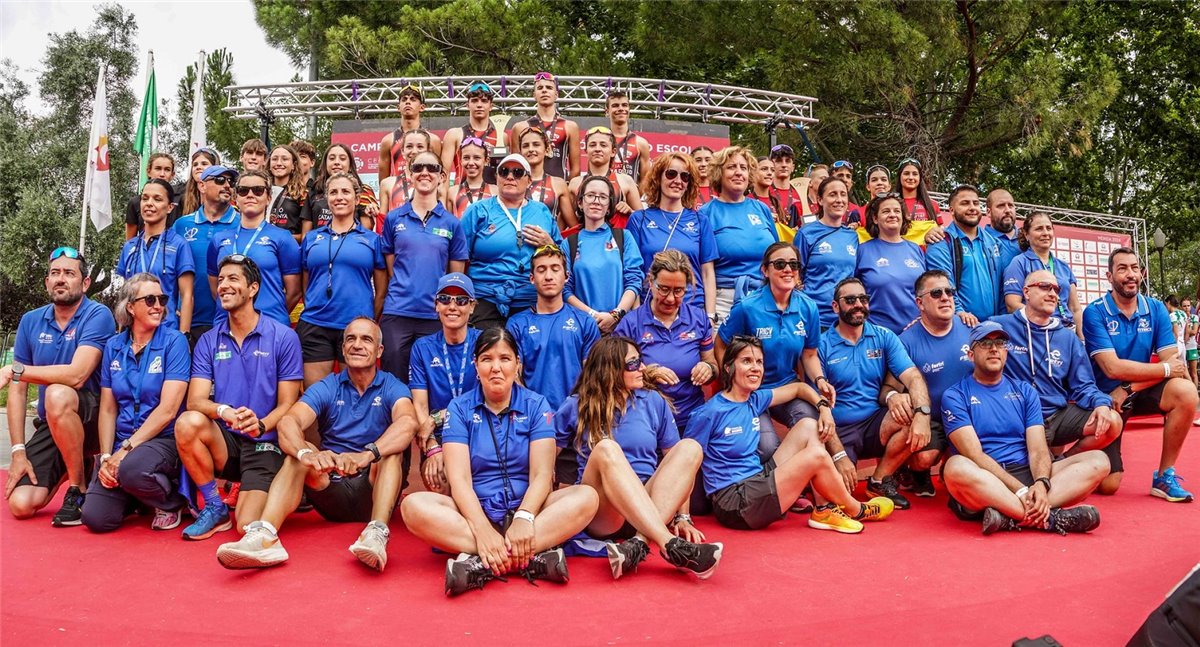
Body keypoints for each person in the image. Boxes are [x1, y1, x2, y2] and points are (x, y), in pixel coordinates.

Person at [400, 328, 600, 596]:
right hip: (474, 514)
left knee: (587, 497)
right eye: (487, 359)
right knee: (413, 506)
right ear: (476, 366)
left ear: (517, 364)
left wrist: (524, 517)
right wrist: (482, 529)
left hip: (531, 514)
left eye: (505, 359)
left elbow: (542, 475)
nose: (496, 367)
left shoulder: (536, 405)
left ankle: (483, 561)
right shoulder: (459, 408)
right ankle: (527, 558)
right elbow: (459, 480)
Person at [215, 318, 418, 572]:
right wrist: (307, 454)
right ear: (342, 349)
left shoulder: (392, 386)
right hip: (330, 487)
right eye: (351, 339)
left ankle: (376, 534)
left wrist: (367, 454)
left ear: (379, 351)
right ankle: (265, 537)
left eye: (366, 340)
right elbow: (289, 421)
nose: (357, 345)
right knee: (300, 454)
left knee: (391, 453)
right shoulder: (328, 386)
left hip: (372, 487)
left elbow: (408, 423)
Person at [685, 335, 894, 532]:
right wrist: (682, 517)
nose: (755, 367)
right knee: (816, 455)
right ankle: (857, 509)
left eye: (759, 362)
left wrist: (823, 408)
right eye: (747, 361)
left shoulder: (753, 399)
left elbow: (799, 388)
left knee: (809, 425)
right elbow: (684, 464)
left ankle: (824, 509)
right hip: (735, 502)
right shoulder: (709, 413)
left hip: (756, 479)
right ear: (728, 367)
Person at [555, 336, 722, 580]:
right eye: (633, 364)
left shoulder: (653, 401)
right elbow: (546, 459)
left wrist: (683, 516)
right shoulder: (577, 405)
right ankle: (668, 544)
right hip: (605, 511)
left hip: (650, 505)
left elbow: (675, 463)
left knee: (690, 447)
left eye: (640, 360)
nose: (642, 368)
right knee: (606, 448)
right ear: (610, 369)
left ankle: (639, 543)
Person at [175, 255, 303, 540]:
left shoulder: (283, 337)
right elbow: (195, 401)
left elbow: (289, 404)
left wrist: (261, 424)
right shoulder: (209, 339)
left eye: (233, 279)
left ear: (253, 288)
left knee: (246, 525)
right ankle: (214, 506)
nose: (223, 286)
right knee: (187, 422)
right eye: (221, 280)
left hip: (264, 444)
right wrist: (225, 411)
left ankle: (284, 483)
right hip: (227, 442)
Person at [940, 321, 1108, 535]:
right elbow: (975, 455)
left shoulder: (1025, 391)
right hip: (987, 478)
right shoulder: (955, 395)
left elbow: (1037, 449)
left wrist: (1041, 483)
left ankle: (1009, 516)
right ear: (971, 355)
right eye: (985, 343)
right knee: (955, 467)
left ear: (1006, 353)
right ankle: (1051, 518)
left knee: (1099, 461)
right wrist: (1019, 490)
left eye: (1000, 343)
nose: (994, 349)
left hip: (1026, 472)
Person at [2, 247, 116, 525]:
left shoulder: (98, 314)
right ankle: (76, 462)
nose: (60, 279)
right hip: (54, 422)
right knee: (21, 504)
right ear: (47, 282)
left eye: (69, 273)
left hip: (95, 421)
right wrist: (18, 451)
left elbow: (77, 375)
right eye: (55, 273)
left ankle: (78, 488)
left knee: (57, 393)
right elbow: (18, 389)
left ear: (85, 283)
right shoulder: (31, 320)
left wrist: (17, 370)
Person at [1083, 247, 1197, 501]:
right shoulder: (1095, 311)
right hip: (1106, 399)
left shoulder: (1156, 309)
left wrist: (1128, 388)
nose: (1130, 274)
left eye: (1135, 268)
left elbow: (1173, 364)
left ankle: (1164, 476)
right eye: (1122, 268)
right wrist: (1163, 369)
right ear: (1109, 276)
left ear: (1142, 273)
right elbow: (1112, 368)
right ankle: (1073, 458)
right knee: (1109, 485)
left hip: (1133, 390)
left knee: (1186, 392)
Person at [81, 274, 191, 532]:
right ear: (130, 307)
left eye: (162, 299)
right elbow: (108, 408)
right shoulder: (113, 346)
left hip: (163, 440)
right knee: (95, 518)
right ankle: (138, 495)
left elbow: (168, 410)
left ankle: (172, 502)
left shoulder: (174, 341)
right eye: (150, 300)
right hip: (123, 442)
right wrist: (106, 457)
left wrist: (124, 451)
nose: (158, 306)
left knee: (132, 468)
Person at [993, 270, 1124, 473]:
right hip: (1018, 419)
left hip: (1056, 415)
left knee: (1112, 422)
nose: (1053, 294)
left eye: (1056, 289)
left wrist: (1101, 403)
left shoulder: (1067, 337)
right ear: (1026, 292)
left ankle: (1062, 462)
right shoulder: (999, 326)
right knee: (1033, 471)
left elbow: (1084, 385)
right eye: (1045, 287)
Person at [820, 277, 932, 510]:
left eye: (863, 299)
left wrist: (923, 413)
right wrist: (839, 456)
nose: (858, 305)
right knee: (838, 500)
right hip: (838, 429)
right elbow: (816, 406)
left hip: (874, 423)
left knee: (911, 412)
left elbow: (913, 376)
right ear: (835, 307)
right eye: (850, 300)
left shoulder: (883, 336)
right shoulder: (821, 344)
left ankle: (879, 481)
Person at [718, 243, 830, 451]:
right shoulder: (747, 307)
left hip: (787, 387)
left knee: (813, 428)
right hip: (752, 390)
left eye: (793, 265)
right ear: (765, 270)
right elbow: (721, 343)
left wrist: (820, 379)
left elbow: (809, 354)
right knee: (767, 446)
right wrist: (732, 380)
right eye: (779, 264)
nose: (788, 269)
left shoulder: (808, 307)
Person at [380, 151, 468, 382]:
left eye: (432, 168)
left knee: (434, 381)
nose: (425, 173)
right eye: (418, 168)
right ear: (409, 174)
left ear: (442, 176)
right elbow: (392, 269)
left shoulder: (452, 223)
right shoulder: (393, 219)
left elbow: (455, 279)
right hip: (397, 312)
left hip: (435, 315)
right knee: (393, 382)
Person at [298, 173, 387, 386]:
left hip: (356, 327)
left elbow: (382, 291)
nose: (339, 197)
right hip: (315, 324)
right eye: (333, 192)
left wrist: (366, 320)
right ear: (327, 198)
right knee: (315, 397)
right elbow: (306, 283)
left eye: (345, 192)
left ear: (357, 199)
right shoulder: (312, 237)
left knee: (355, 395)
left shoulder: (372, 240)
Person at [615, 250, 717, 434]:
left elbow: (713, 364)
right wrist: (648, 373)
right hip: (645, 419)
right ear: (651, 282)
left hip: (691, 417)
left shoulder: (698, 318)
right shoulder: (631, 324)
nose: (670, 298)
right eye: (663, 289)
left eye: (678, 291)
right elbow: (612, 373)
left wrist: (708, 368)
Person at [897, 270, 977, 497]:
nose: (945, 297)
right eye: (936, 293)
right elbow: (890, 388)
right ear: (920, 303)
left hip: (971, 415)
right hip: (932, 419)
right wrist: (897, 398)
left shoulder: (971, 327)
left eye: (949, 292)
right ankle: (915, 471)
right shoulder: (905, 341)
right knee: (925, 458)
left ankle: (950, 464)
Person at [461, 154, 562, 330]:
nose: (509, 176)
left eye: (517, 172)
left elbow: (561, 258)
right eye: (504, 171)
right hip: (486, 296)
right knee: (488, 346)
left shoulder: (542, 211)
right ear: (496, 177)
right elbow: (459, 256)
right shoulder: (478, 210)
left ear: (529, 181)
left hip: (530, 297)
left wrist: (549, 243)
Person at [409, 274, 482, 495]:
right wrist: (432, 447)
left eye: (461, 300)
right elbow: (420, 405)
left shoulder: (485, 342)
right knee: (439, 479)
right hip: (440, 435)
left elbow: (491, 397)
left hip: (479, 428)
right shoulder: (422, 347)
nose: (452, 306)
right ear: (436, 305)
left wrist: (439, 416)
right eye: (444, 299)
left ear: (472, 307)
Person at [507, 245, 601, 413]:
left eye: (555, 269)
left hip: (576, 415)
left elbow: (593, 376)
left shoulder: (585, 322)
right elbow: (514, 376)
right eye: (541, 270)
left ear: (566, 277)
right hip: (532, 417)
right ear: (531, 278)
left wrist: (576, 412)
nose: (548, 276)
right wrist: (534, 412)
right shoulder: (517, 324)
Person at [626, 152, 717, 318]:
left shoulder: (700, 220)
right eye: (671, 174)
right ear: (658, 178)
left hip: (692, 310)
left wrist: (710, 316)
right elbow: (634, 272)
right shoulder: (639, 219)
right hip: (650, 310)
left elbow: (707, 272)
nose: (678, 181)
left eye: (685, 176)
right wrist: (636, 313)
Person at [208, 169, 301, 327]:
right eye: (243, 191)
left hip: (270, 325)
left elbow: (294, 291)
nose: (250, 195)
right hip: (227, 324)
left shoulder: (282, 238)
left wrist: (267, 318)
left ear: (268, 198)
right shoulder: (219, 239)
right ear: (236, 198)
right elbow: (215, 287)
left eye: (258, 190)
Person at [700, 146, 779, 321]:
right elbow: (704, 269)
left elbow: (776, 255)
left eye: (743, 168)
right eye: (731, 167)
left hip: (764, 297)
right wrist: (709, 314)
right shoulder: (706, 213)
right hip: (723, 300)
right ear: (719, 173)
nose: (738, 172)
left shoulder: (761, 209)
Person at [563, 175, 643, 333]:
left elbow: (634, 281)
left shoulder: (624, 237)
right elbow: (565, 289)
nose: (596, 201)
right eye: (590, 195)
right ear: (580, 203)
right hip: (583, 328)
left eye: (603, 197)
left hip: (620, 327)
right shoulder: (569, 243)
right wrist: (593, 315)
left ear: (609, 207)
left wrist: (615, 315)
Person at [116, 179, 195, 335]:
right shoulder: (129, 246)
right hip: (134, 332)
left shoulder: (179, 245)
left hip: (166, 331)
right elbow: (124, 295)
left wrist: (183, 336)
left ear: (170, 207)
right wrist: (121, 333)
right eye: (145, 198)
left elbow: (187, 295)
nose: (149, 203)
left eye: (157, 199)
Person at [173, 163, 239, 346]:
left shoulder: (242, 224)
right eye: (220, 180)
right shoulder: (181, 225)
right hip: (187, 321)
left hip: (228, 321)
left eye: (231, 181)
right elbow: (170, 270)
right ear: (202, 186)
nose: (227, 185)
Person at [925, 184, 1003, 323]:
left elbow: (1002, 284)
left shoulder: (992, 242)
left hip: (992, 325)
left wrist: (1000, 319)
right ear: (951, 210)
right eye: (965, 203)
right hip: (960, 324)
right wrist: (959, 312)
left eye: (976, 203)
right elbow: (942, 284)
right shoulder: (941, 241)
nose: (972, 208)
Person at [1002, 211, 1084, 334]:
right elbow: (1012, 305)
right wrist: (1045, 321)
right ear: (1026, 234)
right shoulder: (1019, 263)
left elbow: (1075, 308)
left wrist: (1081, 339)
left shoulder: (1063, 266)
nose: (1045, 233)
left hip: (1066, 331)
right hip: (1037, 331)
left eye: (1048, 228)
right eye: (1039, 229)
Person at [795, 176, 860, 329]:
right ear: (820, 200)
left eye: (843, 194)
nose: (839, 200)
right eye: (832, 194)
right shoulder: (806, 233)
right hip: (813, 317)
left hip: (845, 318)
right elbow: (795, 275)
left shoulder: (852, 236)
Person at [855, 193, 924, 334]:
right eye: (886, 211)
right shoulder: (862, 251)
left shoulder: (915, 249)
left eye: (897, 211)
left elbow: (927, 291)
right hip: (878, 334)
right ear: (875, 218)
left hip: (916, 333)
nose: (892, 215)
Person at [567, 126, 644, 227]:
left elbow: (642, 220)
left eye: (603, 145)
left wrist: (630, 211)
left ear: (613, 152)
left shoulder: (625, 181)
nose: (597, 149)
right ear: (586, 150)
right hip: (585, 236)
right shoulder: (575, 183)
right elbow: (564, 222)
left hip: (616, 236)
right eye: (592, 145)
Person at [510, 72, 580, 180]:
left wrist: (565, 187)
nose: (544, 90)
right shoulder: (520, 127)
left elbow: (575, 169)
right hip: (528, 187)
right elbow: (516, 166)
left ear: (556, 95)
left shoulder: (570, 126)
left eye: (549, 88)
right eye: (540, 88)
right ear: (534, 95)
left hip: (559, 187)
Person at [301, 144, 380, 235]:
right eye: (332, 158)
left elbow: (366, 233)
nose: (336, 162)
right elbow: (306, 235)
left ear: (350, 165)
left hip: (352, 243)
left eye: (342, 159)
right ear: (325, 164)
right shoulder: (314, 190)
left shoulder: (363, 191)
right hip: (319, 243)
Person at [441, 81, 502, 186]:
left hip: (492, 195)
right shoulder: (455, 135)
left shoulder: (501, 136)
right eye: (474, 101)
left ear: (491, 106)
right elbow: (444, 175)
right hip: (461, 194)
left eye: (484, 101)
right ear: (467, 105)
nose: (479, 105)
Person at [378, 84, 442, 181]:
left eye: (413, 99)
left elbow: (439, 174)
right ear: (398, 107)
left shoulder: (433, 140)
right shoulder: (388, 140)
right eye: (404, 99)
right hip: (398, 190)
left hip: (425, 188)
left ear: (422, 107)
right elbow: (383, 181)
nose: (408, 102)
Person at [519, 126, 574, 229]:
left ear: (547, 149)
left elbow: (573, 226)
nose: (531, 149)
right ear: (520, 152)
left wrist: (555, 236)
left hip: (547, 238)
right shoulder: (513, 182)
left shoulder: (558, 184)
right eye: (525, 146)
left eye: (536, 145)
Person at [124, 153, 182, 240]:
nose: (162, 174)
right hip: (145, 247)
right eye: (158, 168)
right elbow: (130, 240)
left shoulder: (180, 199)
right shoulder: (135, 202)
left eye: (167, 170)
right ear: (148, 171)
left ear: (172, 174)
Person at [379, 129, 436, 215]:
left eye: (420, 147)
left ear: (428, 151)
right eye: (409, 146)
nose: (414, 151)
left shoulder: (436, 184)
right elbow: (382, 220)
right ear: (402, 151)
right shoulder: (388, 184)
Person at [605, 90, 652, 183]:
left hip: (630, 191)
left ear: (629, 110)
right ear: (607, 112)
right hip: (604, 191)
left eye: (624, 105)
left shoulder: (641, 143)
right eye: (615, 105)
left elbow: (645, 182)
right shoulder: (600, 140)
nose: (621, 108)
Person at [266, 144, 307, 244]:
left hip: (289, 248)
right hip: (262, 246)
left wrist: (280, 237)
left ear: (293, 165)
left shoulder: (302, 194)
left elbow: (306, 235)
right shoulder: (261, 191)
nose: (279, 163)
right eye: (274, 159)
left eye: (284, 159)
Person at [450, 137, 496, 219]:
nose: (471, 163)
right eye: (466, 158)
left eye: (476, 158)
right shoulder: (452, 192)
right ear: (460, 161)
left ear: (486, 161)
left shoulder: (496, 191)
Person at [768, 145, 804, 227]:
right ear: (771, 166)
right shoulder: (763, 192)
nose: (784, 165)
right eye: (779, 161)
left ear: (793, 167)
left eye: (787, 161)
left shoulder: (801, 194)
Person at [180, 147, 220, 222]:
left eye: (204, 164)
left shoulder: (224, 193)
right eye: (195, 165)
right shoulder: (180, 197)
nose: (198, 167)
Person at [896, 158, 940, 223]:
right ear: (899, 176)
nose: (911, 177)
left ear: (920, 178)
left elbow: (939, 228)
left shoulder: (932, 204)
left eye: (915, 174)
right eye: (906, 173)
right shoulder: (892, 203)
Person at [984, 188, 1021, 264]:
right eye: (1001, 206)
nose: (1007, 210)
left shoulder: (1028, 238)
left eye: (1010, 205)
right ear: (989, 212)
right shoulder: (982, 240)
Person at [828, 160, 862, 225]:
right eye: (840, 175)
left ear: (851, 183)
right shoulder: (821, 205)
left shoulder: (857, 210)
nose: (845, 179)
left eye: (848, 176)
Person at [1183, 298, 1199, 389]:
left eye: (1188, 306)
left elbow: (1194, 331)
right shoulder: (1180, 317)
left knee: (1193, 373)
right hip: (1182, 348)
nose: (1186, 308)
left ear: (1191, 306)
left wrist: (1186, 331)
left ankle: (1195, 394)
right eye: (1184, 306)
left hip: (1192, 347)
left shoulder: (1194, 317)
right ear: (1181, 307)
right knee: (1183, 374)